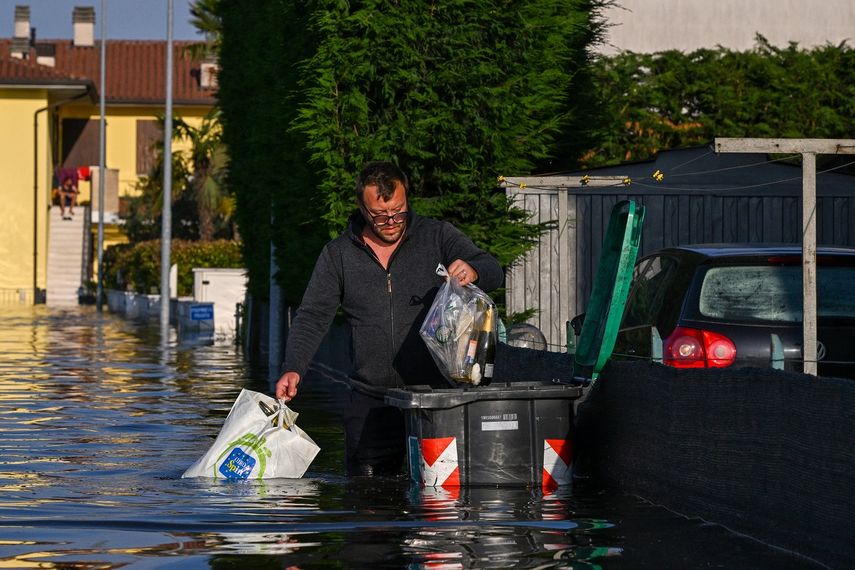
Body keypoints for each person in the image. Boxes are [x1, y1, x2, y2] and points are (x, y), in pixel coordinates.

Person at [275, 161, 504, 476]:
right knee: (367, 504)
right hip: (370, 403)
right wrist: (293, 367)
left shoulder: (436, 236)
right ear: (362, 208)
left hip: (434, 403)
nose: (392, 221)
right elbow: (313, 316)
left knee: (436, 505)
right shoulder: (338, 254)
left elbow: (492, 268)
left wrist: (474, 269)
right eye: (380, 215)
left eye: (399, 211)